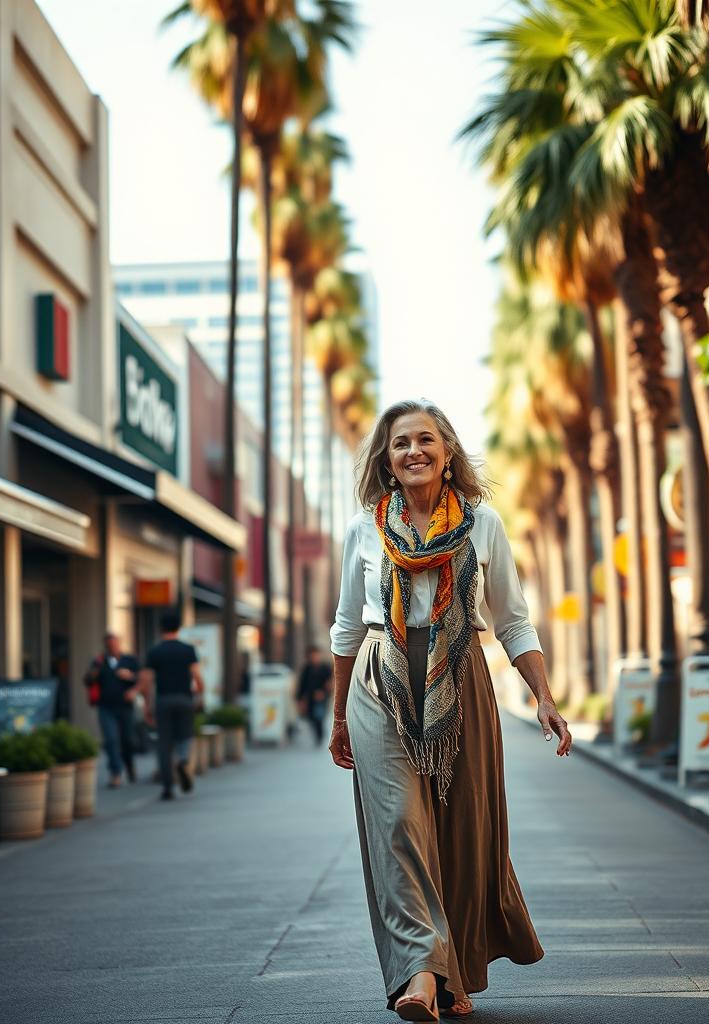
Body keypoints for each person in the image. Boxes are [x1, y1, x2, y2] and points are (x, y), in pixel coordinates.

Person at [329, 399, 572, 1021]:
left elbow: (513, 620)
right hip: (378, 678)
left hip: (461, 676)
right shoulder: (364, 528)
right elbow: (345, 630)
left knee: (461, 832)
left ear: (447, 452)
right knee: (400, 827)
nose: (413, 451)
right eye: (400, 443)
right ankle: (420, 974)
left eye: (425, 440)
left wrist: (543, 697)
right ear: (386, 459)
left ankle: (453, 971)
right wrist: (337, 717)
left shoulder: (484, 523)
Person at [141, 612, 204, 801]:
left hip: (163, 700)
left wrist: (146, 706)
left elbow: (147, 681)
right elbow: (197, 678)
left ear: (161, 629)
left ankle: (167, 787)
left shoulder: (155, 651)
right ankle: (183, 760)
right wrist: (198, 694)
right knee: (185, 736)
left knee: (164, 744)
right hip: (184, 699)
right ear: (179, 628)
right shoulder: (188, 650)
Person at [85, 633, 140, 788]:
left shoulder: (129, 660)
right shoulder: (99, 662)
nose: (112, 647)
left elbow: (141, 680)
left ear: (119, 644)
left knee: (127, 740)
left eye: (114, 644)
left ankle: (129, 765)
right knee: (110, 739)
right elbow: (88, 681)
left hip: (125, 707)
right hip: (106, 707)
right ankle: (116, 772)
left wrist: (131, 680)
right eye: (109, 645)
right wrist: (93, 673)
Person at [297, 645, 333, 746]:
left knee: (319, 716)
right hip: (310, 698)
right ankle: (318, 734)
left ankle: (320, 735)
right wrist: (300, 699)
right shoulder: (307, 668)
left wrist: (324, 693)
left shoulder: (325, 667)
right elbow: (302, 684)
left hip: (321, 697)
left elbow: (330, 683)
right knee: (311, 717)